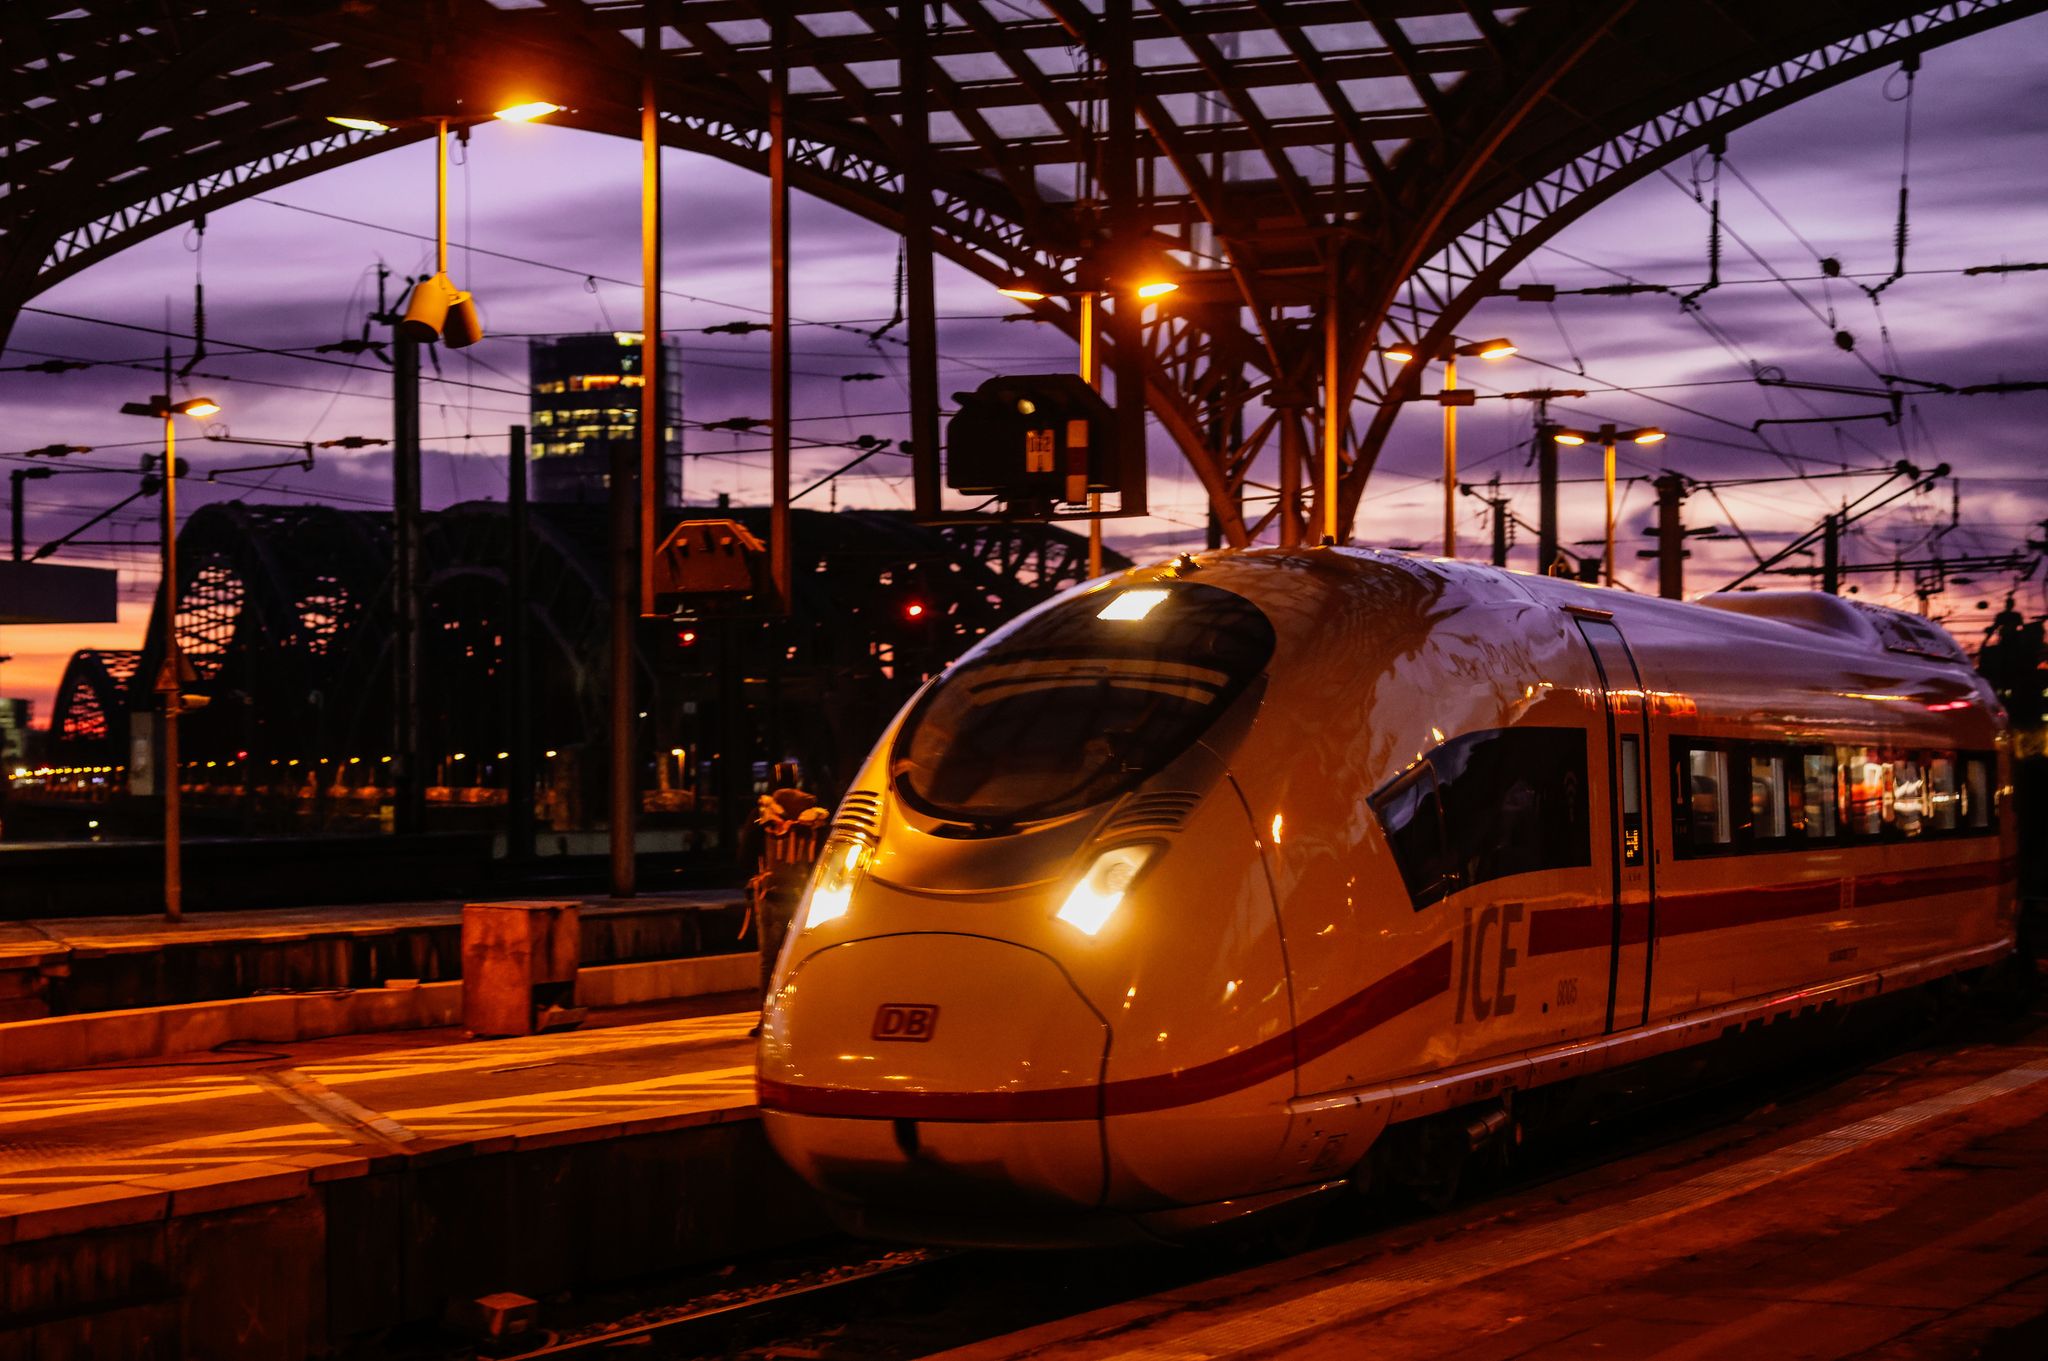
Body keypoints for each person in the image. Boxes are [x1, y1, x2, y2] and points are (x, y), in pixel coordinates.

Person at [745, 762, 827, 1036]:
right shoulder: (813, 816)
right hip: (803, 897)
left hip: (771, 895)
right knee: (803, 960)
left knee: (769, 960)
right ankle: (805, 1017)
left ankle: (766, 1019)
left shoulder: (762, 815)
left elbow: (743, 853)